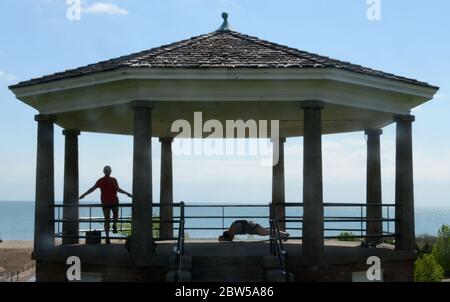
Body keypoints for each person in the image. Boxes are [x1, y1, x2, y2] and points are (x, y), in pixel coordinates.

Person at [79, 166, 132, 244]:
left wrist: (84, 195)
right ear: (110, 171)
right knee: (115, 215)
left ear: (104, 171)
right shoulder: (113, 180)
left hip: (106, 202)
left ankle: (107, 237)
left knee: (106, 220)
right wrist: (127, 193)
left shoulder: (101, 180)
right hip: (114, 201)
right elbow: (118, 189)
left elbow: (92, 189)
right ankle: (114, 224)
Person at [218, 220, 290, 242]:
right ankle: (284, 235)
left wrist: (223, 239)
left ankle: (285, 235)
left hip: (254, 228)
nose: (232, 235)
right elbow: (230, 238)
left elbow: (230, 239)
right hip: (253, 229)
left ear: (228, 233)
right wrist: (223, 238)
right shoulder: (232, 228)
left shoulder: (232, 228)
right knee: (268, 232)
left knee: (268, 232)